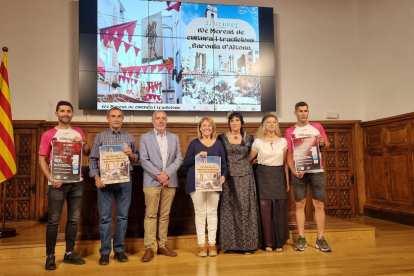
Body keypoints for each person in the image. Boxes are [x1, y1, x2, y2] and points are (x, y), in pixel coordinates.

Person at [38, 101, 91, 270]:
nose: (65, 114)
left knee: (73, 220)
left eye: (68, 111)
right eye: (62, 111)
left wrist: (82, 143)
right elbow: (41, 159)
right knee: (53, 221)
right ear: (56, 114)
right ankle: (50, 256)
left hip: (77, 183)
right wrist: (51, 178)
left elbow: (88, 152)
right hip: (57, 184)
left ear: (72, 114)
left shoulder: (78, 131)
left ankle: (69, 254)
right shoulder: (48, 134)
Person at [89, 107, 139, 265]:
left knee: (122, 217)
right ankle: (104, 252)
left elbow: (136, 158)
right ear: (108, 119)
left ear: (122, 119)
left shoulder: (129, 137)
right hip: (105, 182)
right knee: (105, 218)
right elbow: (92, 159)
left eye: (119, 116)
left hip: (125, 181)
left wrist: (131, 154)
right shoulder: (100, 137)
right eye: (113, 116)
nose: (116, 119)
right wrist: (96, 177)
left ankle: (119, 250)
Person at [285, 101, 332, 252]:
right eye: (300, 111)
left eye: (305, 111)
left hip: (317, 171)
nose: (303, 113)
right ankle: (301, 237)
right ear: (295, 113)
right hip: (299, 172)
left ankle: (320, 238)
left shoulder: (317, 127)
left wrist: (323, 143)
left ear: (308, 112)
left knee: (319, 204)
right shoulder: (290, 131)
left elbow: (327, 144)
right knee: (300, 204)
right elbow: (289, 154)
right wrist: (293, 171)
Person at [140, 110, 182, 262]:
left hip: (170, 182)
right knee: (150, 215)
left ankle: (162, 245)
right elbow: (144, 160)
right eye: (158, 118)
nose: (161, 121)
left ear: (166, 121)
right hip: (152, 182)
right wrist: (159, 175)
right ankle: (149, 247)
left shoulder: (174, 137)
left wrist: (167, 174)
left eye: (163, 118)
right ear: (152, 121)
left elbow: (178, 159)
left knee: (164, 215)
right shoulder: (145, 138)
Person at [183, 117, 227, 257]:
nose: (207, 128)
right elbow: (186, 162)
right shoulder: (194, 143)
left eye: (209, 125)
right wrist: (196, 156)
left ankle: (212, 244)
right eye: (204, 125)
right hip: (197, 183)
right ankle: (201, 245)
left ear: (213, 128)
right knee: (200, 213)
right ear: (200, 128)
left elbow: (224, 163)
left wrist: (224, 175)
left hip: (214, 183)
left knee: (213, 212)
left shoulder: (219, 143)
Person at [219, 111, 261, 254]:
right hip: (228, 178)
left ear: (241, 122)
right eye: (232, 120)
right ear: (229, 123)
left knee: (245, 210)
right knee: (229, 210)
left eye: (237, 120)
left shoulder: (249, 138)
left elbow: (252, 156)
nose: (235, 123)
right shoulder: (222, 138)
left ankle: (247, 245)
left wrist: (243, 166)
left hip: (245, 177)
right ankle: (231, 245)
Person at [249, 114, 290, 253]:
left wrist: (287, 180)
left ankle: (279, 243)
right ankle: (267, 242)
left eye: (274, 122)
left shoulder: (283, 142)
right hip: (263, 176)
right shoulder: (258, 142)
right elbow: (249, 159)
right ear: (264, 125)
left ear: (277, 125)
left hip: (278, 175)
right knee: (265, 209)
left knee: (279, 209)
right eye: (269, 122)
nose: (272, 124)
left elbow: (285, 163)